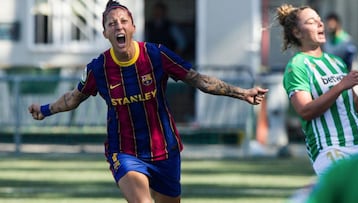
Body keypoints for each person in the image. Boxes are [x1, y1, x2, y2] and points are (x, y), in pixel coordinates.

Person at [28, 1, 268, 202]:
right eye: (111, 24)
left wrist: (242, 93)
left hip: (165, 150)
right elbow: (73, 97)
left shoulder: (156, 54)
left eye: (123, 21)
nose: (118, 26)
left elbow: (198, 80)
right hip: (124, 151)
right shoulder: (98, 68)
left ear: (133, 27)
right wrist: (45, 110)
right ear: (105, 34)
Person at [277, 4, 358, 176]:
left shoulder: (336, 62)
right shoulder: (297, 65)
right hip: (330, 148)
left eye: (320, 21)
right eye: (311, 22)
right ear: (297, 33)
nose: (320, 24)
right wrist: (340, 86)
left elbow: (354, 106)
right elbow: (305, 110)